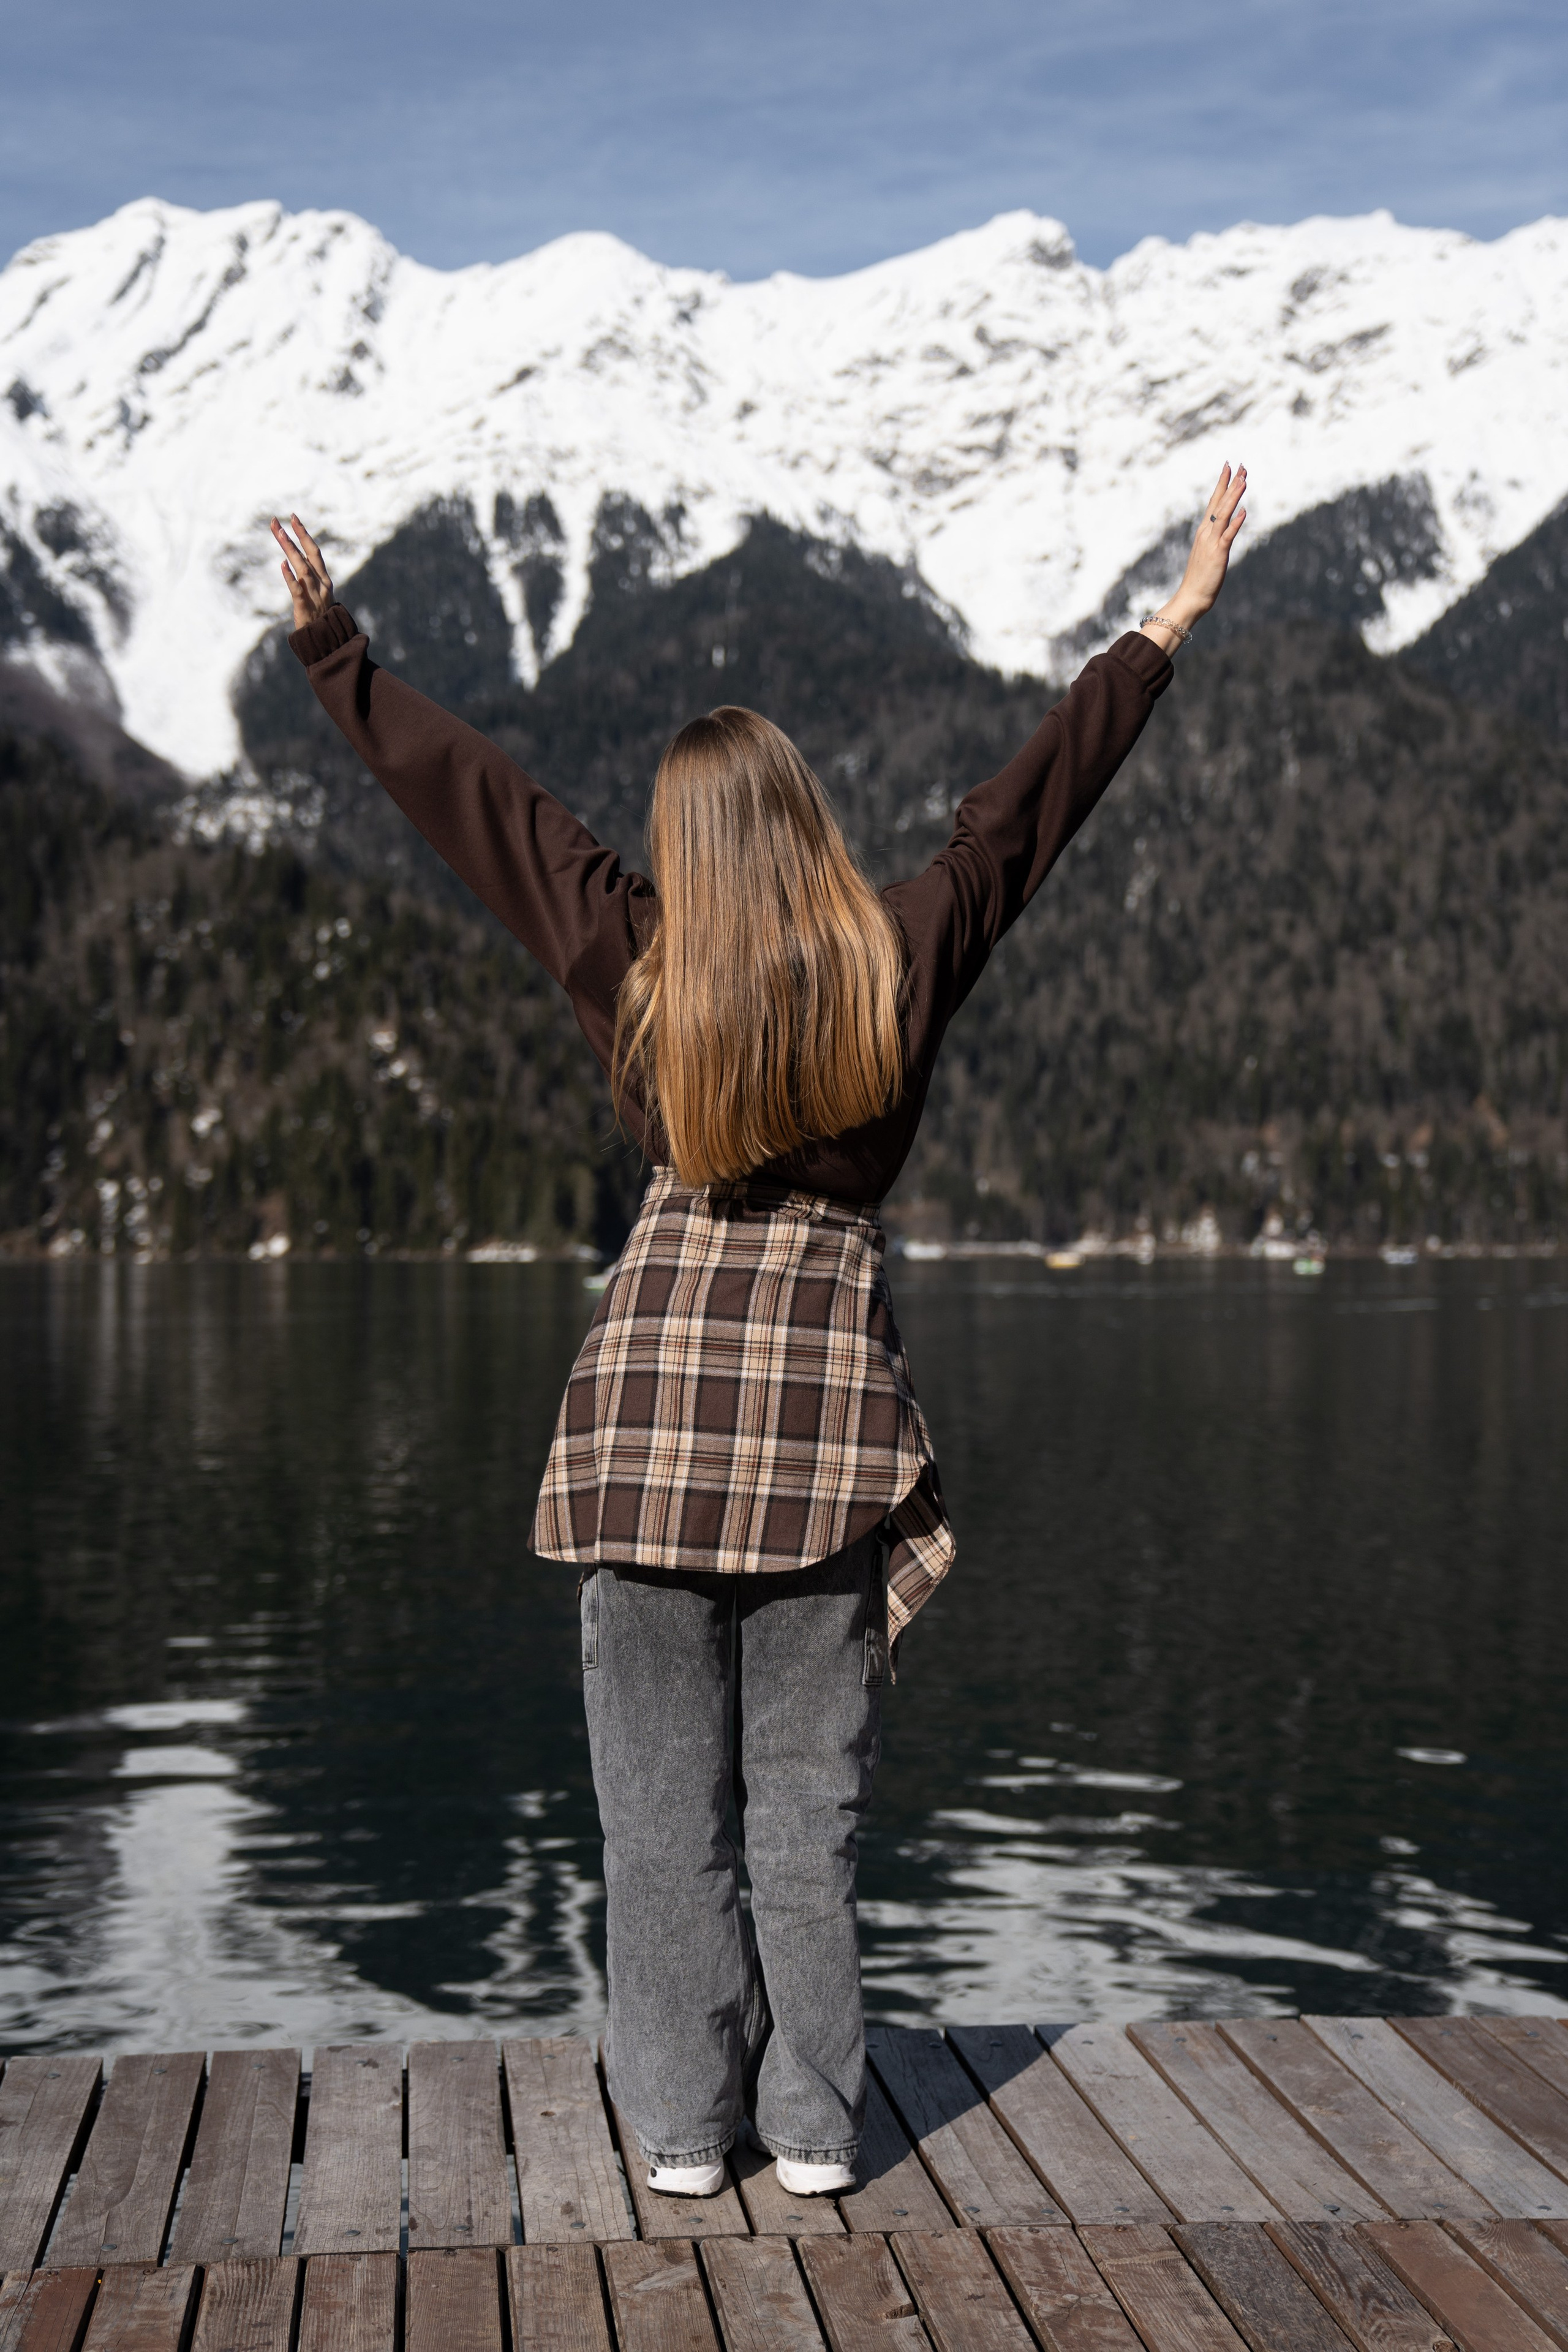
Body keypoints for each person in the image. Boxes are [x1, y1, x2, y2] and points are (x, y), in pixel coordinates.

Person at [270, 465, 1247, 2198]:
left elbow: (486, 807)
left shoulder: (638, 966)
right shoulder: (894, 959)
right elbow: (1017, 824)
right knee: (807, 1825)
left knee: (659, 1836)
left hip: (651, 1445)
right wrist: (1163, 630)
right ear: (803, 823)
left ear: (685, 848)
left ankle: (679, 2136)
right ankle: (810, 2131)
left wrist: (340, 657)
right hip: (820, 1451)